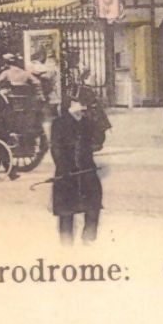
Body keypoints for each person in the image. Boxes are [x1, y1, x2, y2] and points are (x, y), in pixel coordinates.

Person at [50, 97, 103, 243]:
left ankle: (89, 240)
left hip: (87, 171)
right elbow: (56, 148)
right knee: (66, 211)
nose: (82, 110)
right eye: (78, 107)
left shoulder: (88, 123)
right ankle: (66, 245)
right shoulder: (59, 123)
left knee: (93, 206)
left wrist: (96, 119)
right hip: (67, 174)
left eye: (83, 108)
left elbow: (99, 141)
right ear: (70, 107)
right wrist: (64, 169)